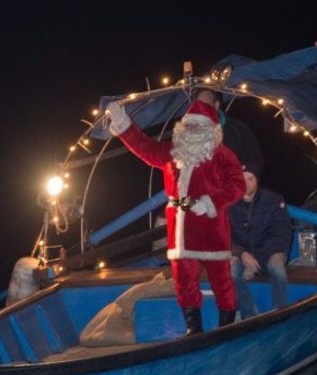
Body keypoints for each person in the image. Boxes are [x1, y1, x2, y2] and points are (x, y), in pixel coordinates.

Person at [105, 99, 246, 335]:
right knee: (184, 282)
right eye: (189, 125)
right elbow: (144, 147)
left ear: (210, 129)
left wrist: (210, 202)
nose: (192, 130)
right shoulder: (172, 151)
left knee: (221, 280)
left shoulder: (222, 154)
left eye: (198, 126)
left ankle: (227, 326)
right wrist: (123, 123)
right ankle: (193, 328)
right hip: (180, 231)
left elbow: (237, 185)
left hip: (211, 228)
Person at [228, 166, 293, 319]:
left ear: (257, 181)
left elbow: (282, 235)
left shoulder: (273, 200)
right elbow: (223, 236)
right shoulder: (228, 202)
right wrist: (242, 255)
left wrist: (255, 259)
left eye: (251, 179)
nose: (246, 183)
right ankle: (250, 315)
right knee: (231, 271)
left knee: (277, 268)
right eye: (243, 179)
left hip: (269, 250)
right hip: (242, 252)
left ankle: (280, 314)